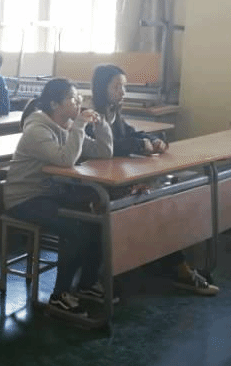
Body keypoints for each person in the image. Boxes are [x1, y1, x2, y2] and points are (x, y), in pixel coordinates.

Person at [88, 64, 218, 295]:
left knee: (162, 204)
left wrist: (153, 139)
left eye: (124, 86)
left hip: (118, 182)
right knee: (152, 207)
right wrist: (138, 145)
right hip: (97, 188)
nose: (122, 92)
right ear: (101, 88)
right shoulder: (91, 115)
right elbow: (104, 148)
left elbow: (131, 133)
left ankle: (174, 265)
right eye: (117, 86)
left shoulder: (113, 112)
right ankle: (175, 267)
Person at [4, 78, 113, 321]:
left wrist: (102, 124)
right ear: (54, 104)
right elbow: (65, 160)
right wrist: (80, 126)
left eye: (78, 98)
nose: (78, 103)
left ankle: (87, 283)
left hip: (50, 195)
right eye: (72, 99)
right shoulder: (38, 130)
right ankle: (59, 295)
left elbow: (103, 153)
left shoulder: (67, 127)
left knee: (95, 220)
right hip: (25, 198)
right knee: (75, 228)